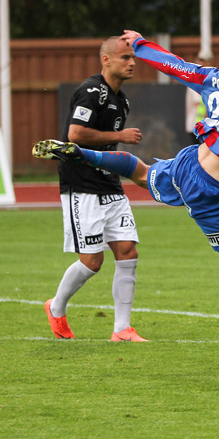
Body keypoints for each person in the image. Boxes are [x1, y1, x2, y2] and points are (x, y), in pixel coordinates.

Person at [34, 23, 219, 361]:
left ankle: (82, 154)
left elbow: (174, 65)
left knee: (143, 173)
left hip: (187, 163)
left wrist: (142, 43)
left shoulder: (216, 75)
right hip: (209, 190)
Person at [44, 36, 147, 342]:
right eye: (125, 57)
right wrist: (120, 135)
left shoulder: (122, 100)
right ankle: (56, 307)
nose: (132, 62)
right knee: (92, 261)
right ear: (106, 60)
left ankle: (122, 329)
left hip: (109, 184)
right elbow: (75, 135)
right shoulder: (91, 92)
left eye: (133, 58)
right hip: (82, 185)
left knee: (128, 251)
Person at [185, 50, 214, 145]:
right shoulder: (195, 81)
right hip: (197, 126)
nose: (202, 64)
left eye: (204, 61)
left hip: (202, 126)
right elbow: (199, 103)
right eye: (200, 61)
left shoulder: (206, 80)